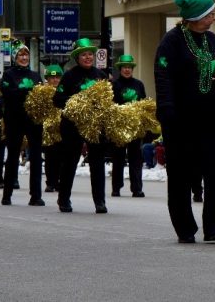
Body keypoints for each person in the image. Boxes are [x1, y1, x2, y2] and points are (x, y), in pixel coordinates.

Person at [155, 0, 215, 243]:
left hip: (212, 118)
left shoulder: (213, 41)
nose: (214, 19)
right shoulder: (172, 41)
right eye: (210, 14)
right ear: (196, 17)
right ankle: (185, 227)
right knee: (180, 174)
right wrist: (167, 110)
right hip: (182, 120)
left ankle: (213, 227)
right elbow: (163, 76)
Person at [53, 38, 109, 213]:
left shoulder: (100, 76)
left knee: (98, 163)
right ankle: (63, 199)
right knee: (70, 162)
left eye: (90, 54)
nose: (88, 57)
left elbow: (108, 99)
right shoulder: (69, 76)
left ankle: (100, 201)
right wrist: (77, 104)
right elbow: (57, 100)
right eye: (84, 55)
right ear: (77, 58)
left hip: (94, 126)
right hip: (73, 125)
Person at [0, 42, 45, 206]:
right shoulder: (8, 75)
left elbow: (41, 95)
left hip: (33, 121)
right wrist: (25, 91)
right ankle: (7, 194)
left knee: (36, 157)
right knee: (12, 156)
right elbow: (8, 93)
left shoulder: (35, 76)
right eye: (20, 55)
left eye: (26, 54)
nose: (24, 57)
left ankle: (36, 195)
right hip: (14, 120)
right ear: (15, 58)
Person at [110, 54, 146, 198]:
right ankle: (116, 188)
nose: (127, 70)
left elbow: (144, 103)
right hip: (119, 126)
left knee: (136, 158)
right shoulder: (114, 85)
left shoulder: (139, 84)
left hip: (135, 127)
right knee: (118, 158)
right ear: (120, 69)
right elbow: (111, 105)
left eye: (129, 67)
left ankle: (137, 188)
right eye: (124, 67)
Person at [42, 64, 64, 193]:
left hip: (62, 129)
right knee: (50, 157)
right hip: (48, 130)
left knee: (62, 157)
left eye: (58, 77)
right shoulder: (43, 93)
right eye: (52, 77)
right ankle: (50, 182)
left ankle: (60, 181)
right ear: (48, 79)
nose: (55, 80)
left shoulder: (64, 92)